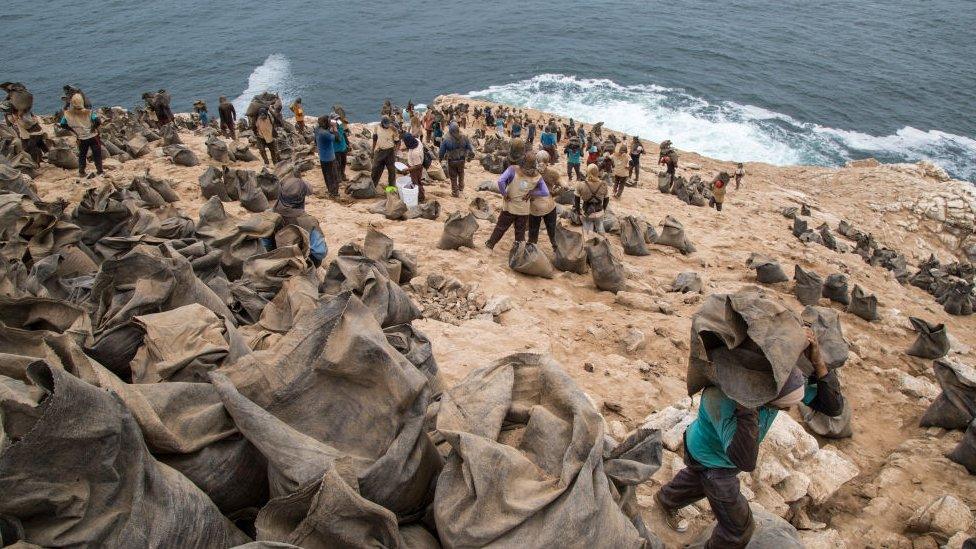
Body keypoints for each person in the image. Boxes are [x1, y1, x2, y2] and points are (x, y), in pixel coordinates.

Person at [656, 329, 845, 548]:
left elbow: (833, 407)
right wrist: (748, 405)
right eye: (784, 407)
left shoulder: (781, 383)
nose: (791, 409)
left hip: (705, 450)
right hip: (715, 464)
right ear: (766, 396)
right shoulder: (721, 400)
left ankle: (666, 500)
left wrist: (819, 363)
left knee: (696, 479)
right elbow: (745, 461)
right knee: (738, 529)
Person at [485, 152, 550, 251]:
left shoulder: (513, 169)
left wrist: (504, 193)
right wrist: (532, 192)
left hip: (510, 206)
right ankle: (517, 251)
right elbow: (545, 192)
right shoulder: (537, 176)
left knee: (501, 227)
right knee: (520, 232)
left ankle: (490, 244)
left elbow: (500, 181)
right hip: (523, 209)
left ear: (523, 161)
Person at [272, 175, 328, 266]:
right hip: (299, 264)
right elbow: (320, 253)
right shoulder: (308, 222)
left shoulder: (270, 214)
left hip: (274, 260)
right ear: (301, 199)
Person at [59, 93, 103, 178]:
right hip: (93, 136)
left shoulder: (67, 114)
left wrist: (73, 130)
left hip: (81, 138)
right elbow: (98, 121)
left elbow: (62, 124)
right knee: (97, 154)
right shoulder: (88, 112)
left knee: (82, 155)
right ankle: (100, 172)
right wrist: (93, 128)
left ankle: (82, 172)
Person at [529, 150, 560, 249]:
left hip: (534, 208)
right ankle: (555, 246)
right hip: (549, 205)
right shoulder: (553, 173)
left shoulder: (530, 173)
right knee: (552, 230)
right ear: (548, 160)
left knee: (533, 230)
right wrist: (554, 193)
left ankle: (532, 249)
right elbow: (564, 186)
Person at [438, 122, 473, 197]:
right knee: (461, 174)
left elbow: (441, 152)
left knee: (453, 177)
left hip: (452, 161)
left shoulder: (446, 139)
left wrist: (440, 159)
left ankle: (455, 192)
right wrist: (469, 157)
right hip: (462, 160)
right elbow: (470, 148)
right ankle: (461, 188)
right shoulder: (464, 137)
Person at [574, 164, 609, 236]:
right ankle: (602, 241)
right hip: (599, 212)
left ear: (587, 172)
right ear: (597, 172)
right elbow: (606, 200)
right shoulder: (604, 184)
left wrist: (579, 213)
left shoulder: (580, 185)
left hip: (586, 213)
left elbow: (576, 201)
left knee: (587, 233)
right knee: (600, 227)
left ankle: (589, 242)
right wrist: (603, 210)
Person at [315, 116, 339, 198]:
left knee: (327, 176)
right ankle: (334, 193)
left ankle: (330, 191)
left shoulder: (317, 130)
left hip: (322, 157)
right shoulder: (325, 134)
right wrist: (335, 127)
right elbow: (337, 138)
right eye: (328, 121)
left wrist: (330, 128)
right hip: (330, 158)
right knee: (333, 176)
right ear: (325, 123)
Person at [371, 115, 399, 188]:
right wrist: (372, 150)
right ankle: (373, 186)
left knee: (392, 170)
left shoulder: (393, 129)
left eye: (388, 124)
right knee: (375, 169)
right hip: (380, 150)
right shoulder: (377, 127)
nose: (387, 126)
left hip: (390, 151)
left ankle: (391, 186)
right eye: (385, 125)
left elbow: (397, 141)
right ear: (382, 123)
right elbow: (375, 139)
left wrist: (396, 151)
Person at [402, 131, 426, 203]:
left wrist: (407, 169)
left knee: (416, 183)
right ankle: (421, 194)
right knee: (418, 181)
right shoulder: (417, 141)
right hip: (415, 165)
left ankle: (421, 198)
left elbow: (418, 166)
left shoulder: (415, 153)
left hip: (415, 169)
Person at [334, 116, 349, 181]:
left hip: (343, 147)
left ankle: (342, 174)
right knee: (338, 163)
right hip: (336, 149)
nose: (338, 120)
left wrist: (347, 143)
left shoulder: (339, 123)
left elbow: (344, 132)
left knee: (343, 162)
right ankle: (338, 177)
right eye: (336, 119)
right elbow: (337, 139)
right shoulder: (331, 127)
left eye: (338, 118)